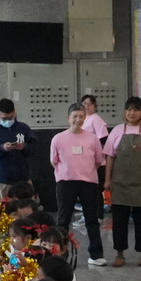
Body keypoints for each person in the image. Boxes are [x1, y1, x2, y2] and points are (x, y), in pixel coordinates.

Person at [101, 97, 141, 267]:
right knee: (119, 220)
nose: (132, 113)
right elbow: (110, 157)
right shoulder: (117, 131)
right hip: (120, 183)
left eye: (136, 110)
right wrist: (107, 179)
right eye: (129, 109)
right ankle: (120, 253)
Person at [51, 103, 107, 266]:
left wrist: (85, 172)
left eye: (81, 116)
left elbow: (98, 160)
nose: (78, 120)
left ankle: (96, 255)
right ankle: (60, 254)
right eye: (75, 116)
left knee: (92, 219)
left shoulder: (92, 138)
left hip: (88, 183)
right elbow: (54, 161)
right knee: (63, 220)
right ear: (68, 118)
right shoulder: (58, 138)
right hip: (65, 183)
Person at [0, 100, 33, 204]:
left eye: (11, 118)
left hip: (22, 179)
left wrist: (24, 147)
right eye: (4, 119)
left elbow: (34, 148)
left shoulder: (24, 128)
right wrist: (1, 148)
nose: (8, 121)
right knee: (1, 215)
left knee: (25, 213)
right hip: (0, 180)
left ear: (15, 113)